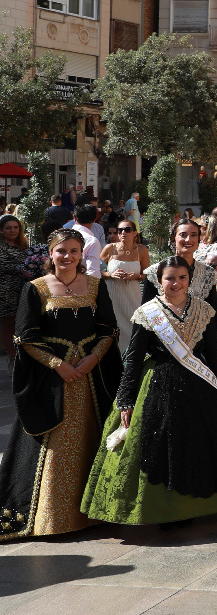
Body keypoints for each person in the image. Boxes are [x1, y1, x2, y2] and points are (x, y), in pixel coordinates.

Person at [82, 254, 217, 525]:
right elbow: (134, 358)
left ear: (190, 280)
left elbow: (212, 353)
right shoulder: (148, 312)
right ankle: (164, 509)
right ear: (159, 280)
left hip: (201, 387)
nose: (176, 283)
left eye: (182, 278)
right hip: (159, 385)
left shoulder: (204, 310)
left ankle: (205, 505)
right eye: (170, 278)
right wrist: (125, 400)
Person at [0, 230, 118, 540]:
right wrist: (59, 365)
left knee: (95, 438)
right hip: (52, 380)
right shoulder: (35, 288)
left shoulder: (95, 285)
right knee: (55, 445)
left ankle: (97, 512)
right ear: (50, 254)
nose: (67, 256)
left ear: (82, 254)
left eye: (74, 251)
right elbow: (25, 337)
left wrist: (92, 359)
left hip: (92, 377)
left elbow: (108, 330)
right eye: (61, 251)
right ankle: (55, 517)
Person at [142, 218, 217, 313]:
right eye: (183, 235)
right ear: (173, 238)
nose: (188, 240)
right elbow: (146, 311)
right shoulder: (154, 272)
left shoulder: (208, 274)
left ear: (198, 239)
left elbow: (212, 312)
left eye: (193, 235)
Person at [100, 216, 149, 355]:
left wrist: (136, 276)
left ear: (135, 233)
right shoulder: (110, 248)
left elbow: (146, 275)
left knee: (133, 327)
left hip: (132, 296)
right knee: (113, 329)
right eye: (119, 230)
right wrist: (110, 274)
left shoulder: (142, 250)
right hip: (112, 296)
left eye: (127, 230)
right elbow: (97, 271)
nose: (123, 233)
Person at [0, 216, 30, 367]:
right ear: (1, 230)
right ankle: (12, 360)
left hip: (24, 289)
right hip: (5, 291)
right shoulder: (1, 246)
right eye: (8, 228)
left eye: (15, 227)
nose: (12, 231)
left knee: (24, 324)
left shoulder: (24, 246)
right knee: (9, 323)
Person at [68, 204, 104, 278]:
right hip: (80, 285)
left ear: (74, 217)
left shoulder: (61, 236)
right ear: (95, 219)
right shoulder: (92, 241)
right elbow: (93, 273)